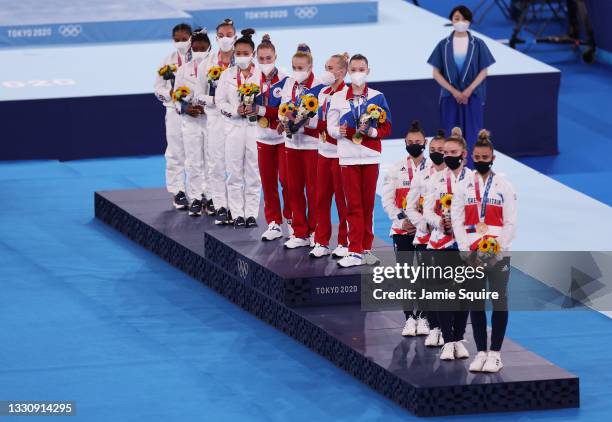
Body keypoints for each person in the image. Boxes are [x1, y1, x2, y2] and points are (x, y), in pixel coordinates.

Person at [451, 129, 517, 373]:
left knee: (499, 301)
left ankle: (496, 353)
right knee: (476, 302)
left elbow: (510, 223)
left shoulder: (504, 186)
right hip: (471, 255)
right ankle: (480, 352)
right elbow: (456, 219)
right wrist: (466, 250)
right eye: (477, 158)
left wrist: (495, 250)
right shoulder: (463, 185)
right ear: (471, 158)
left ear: (493, 157)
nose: (481, 161)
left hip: (498, 254)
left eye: (485, 157)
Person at [327, 54, 392, 268]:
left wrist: (372, 131)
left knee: (368, 206)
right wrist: (339, 131)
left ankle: (366, 249)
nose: (357, 73)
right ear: (348, 71)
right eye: (353, 69)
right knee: (353, 206)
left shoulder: (378, 96)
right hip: (347, 157)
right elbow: (330, 127)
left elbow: (387, 127)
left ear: (368, 70)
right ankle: (354, 250)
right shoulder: (337, 97)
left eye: (361, 69)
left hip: (371, 156)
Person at [427, 5, 496, 166]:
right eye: (457, 18)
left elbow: (484, 71)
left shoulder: (478, 44)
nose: (460, 22)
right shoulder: (443, 45)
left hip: (473, 96)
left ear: (469, 21)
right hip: (449, 97)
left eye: (464, 19)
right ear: (451, 20)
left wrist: (468, 90)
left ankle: (472, 169)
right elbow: (436, 73)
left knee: (472, 133)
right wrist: (454, 91)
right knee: (450, 133)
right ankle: (450, 168)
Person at [423, 127, 470, 360]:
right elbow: (428, 211)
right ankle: (448, 341)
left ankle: (459, 338)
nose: (449, 156)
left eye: (454, 152)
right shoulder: (436, 179)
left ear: (464, 154)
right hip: (440, 243)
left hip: (464, 246)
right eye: (446, 152)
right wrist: (440, 222)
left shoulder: (473, 180)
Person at [382, 121, 431, 335]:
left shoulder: (434, 170)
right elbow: (387, 201)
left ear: (425, 143)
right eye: (410, 142)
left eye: (417, 142)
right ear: (404, 143)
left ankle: (424, 317)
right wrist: (402, 221)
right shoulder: (395, 169)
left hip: (427, 232)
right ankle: (409, 318)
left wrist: (422, 224)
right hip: (402, 230)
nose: (414, 145)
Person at [278, 44, 325, 249]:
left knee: (315, 191)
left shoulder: (320, 87)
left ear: (311, 66)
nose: (298, 71)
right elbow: (283, 107)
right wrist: (284, 119)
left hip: (312, 145)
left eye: (301, 67)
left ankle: (315, 231)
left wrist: (305, 122)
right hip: (291, 144)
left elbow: (320, 117)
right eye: (294, 67)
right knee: (293, 188)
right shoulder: (289, 84)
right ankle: (299, 232)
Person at [215, 29, 261, 227]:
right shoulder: (227, 75)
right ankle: (236, 213)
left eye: (246, 53)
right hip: (233, 128)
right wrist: (235, 110)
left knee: (253, 171)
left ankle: (251, 213)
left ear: (253, 54)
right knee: (234, 172)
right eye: (239, 53)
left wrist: (255, 110)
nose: (242, 56)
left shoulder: (260, 75)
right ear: (234, 54)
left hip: (255, 128)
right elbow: (219, 102)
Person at [405, 129, 448, 345]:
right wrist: (424, 224)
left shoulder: (456, 176)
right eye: (433, 150)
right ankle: (430, 323)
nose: (436, 153)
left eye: (441, 150)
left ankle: (448, 330)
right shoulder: (421, 176)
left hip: (450, 239)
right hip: (426, 238)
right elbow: (410, 206)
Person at [307, 53, 349, 259]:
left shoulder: (348, 95)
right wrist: (300, 120)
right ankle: (321, 241)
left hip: (341, 155)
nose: (327, 72)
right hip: (322, 153)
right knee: (321, 199)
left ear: (342, 72)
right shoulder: (322, 93)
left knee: (343, 201)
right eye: (325, 67)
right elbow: (317, 121)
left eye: (330, 68)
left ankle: (344, 242)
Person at [253, 34, 292, 240]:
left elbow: (286, 108)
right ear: (255, 57)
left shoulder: (286, 77)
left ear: (276, 56)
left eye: (269, 58)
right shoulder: (251, 78)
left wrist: (259, 109)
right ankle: (274, 223)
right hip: (263, 137)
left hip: (283, 137)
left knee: (287, 181)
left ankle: (292, 220)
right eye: (261, 59)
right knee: (268, 182)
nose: (265, 62)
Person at [172, 28, 212, 216]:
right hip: (191, 122)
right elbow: (175, 98)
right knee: (193, 161)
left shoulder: (217, 70)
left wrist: (210, 105)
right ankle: (195, 197)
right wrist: (185, 108)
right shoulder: (182, 70)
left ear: (209, 48)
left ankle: (212, 198)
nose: (199, 52)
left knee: (212, 161)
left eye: (202, 48)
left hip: (211, 122)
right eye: (195, 49)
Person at [199, 18, 236, 223]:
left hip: (237, 122)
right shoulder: (207, 63)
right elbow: (198, 95)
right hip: (214, 118)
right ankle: (219, 204)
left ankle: (234, 206)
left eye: (229, 35)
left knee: (235, 164)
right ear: (216, 37)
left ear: (235, 37)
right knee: (215, 163)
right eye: (221, 36)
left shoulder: (241, 62)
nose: (225, 39)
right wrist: (218, 101)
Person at [154, 23, 192, 210]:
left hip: (197, 113)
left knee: (199, 153)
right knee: (176, 152)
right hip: (174, 112)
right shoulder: (167, 61)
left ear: (191, 37)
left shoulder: (202, 59)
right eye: (177, 40)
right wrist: (173, 96)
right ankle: (178, 191)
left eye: (184, 39)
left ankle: (201, 193)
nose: (180, 43)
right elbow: (158, 88)